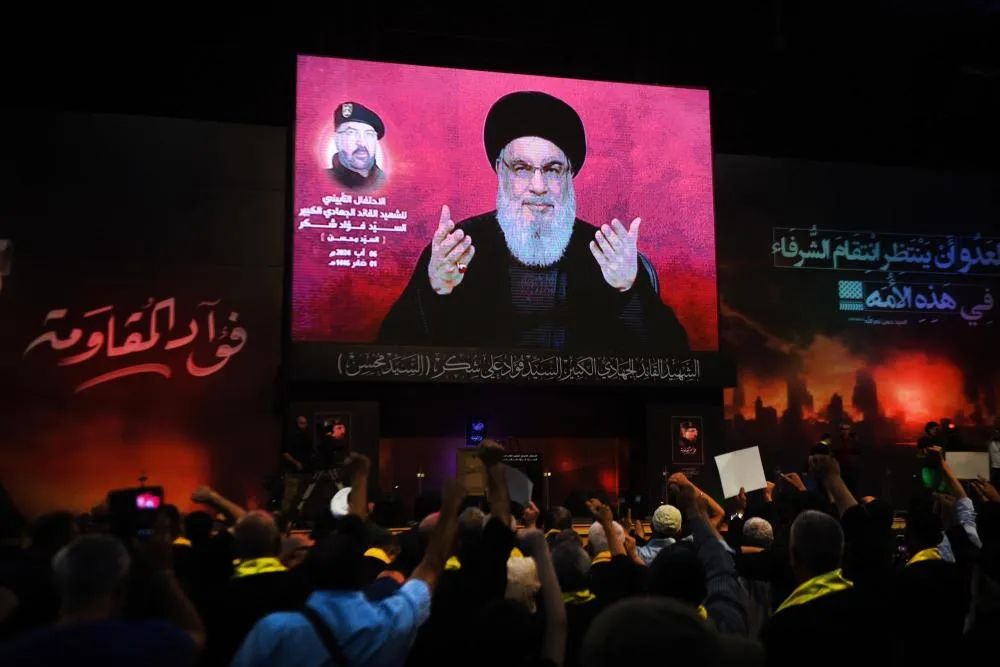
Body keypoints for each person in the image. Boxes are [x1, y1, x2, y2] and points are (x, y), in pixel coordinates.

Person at [378, 91, 688, 352]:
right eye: (522, 168)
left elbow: (673, 362)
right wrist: (435, 290)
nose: (538, 186)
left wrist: (628, 289)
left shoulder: (605, 253)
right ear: (500, 170)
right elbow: (393, 353)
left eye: (552, 169)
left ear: (569, 176)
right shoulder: (458, 249)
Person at [0, 534, 203, 667]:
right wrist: (163, 571)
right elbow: (197, 635)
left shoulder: (14, 653)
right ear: (122, 587)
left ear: (59, 583)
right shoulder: (153, 642)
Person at [326, 101, 387, 192]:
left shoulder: (389, 184)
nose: (362, 143)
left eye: (369, 134)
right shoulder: (320, 181)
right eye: (351, 133)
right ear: (337, 139)